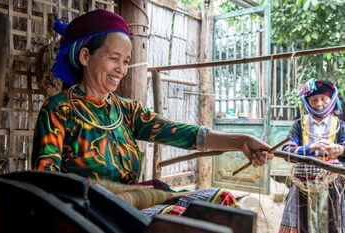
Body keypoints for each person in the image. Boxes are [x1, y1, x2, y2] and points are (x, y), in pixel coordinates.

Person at [31, 9, 274, 217]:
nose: (121, 69)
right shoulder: (58, 110)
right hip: (92, 216)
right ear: (85, 56)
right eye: (114, 58)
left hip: (133, 205)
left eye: (126, 61)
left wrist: (241, 141)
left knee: (221, 203)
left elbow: (181, 133)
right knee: (175, 220)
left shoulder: (125, 110)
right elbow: (47, 183)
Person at [278, 78, 345, 233]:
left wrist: (340, 150)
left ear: (332, 99)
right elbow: (287, 151)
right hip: (303, 185)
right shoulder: (299, 125)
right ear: (306, 102)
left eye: (324, 99)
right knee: (302, 225)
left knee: (334, 224)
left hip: (333, 186)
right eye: (313, 100)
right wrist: (310, 148)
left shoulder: (341, 126)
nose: (319, 104)